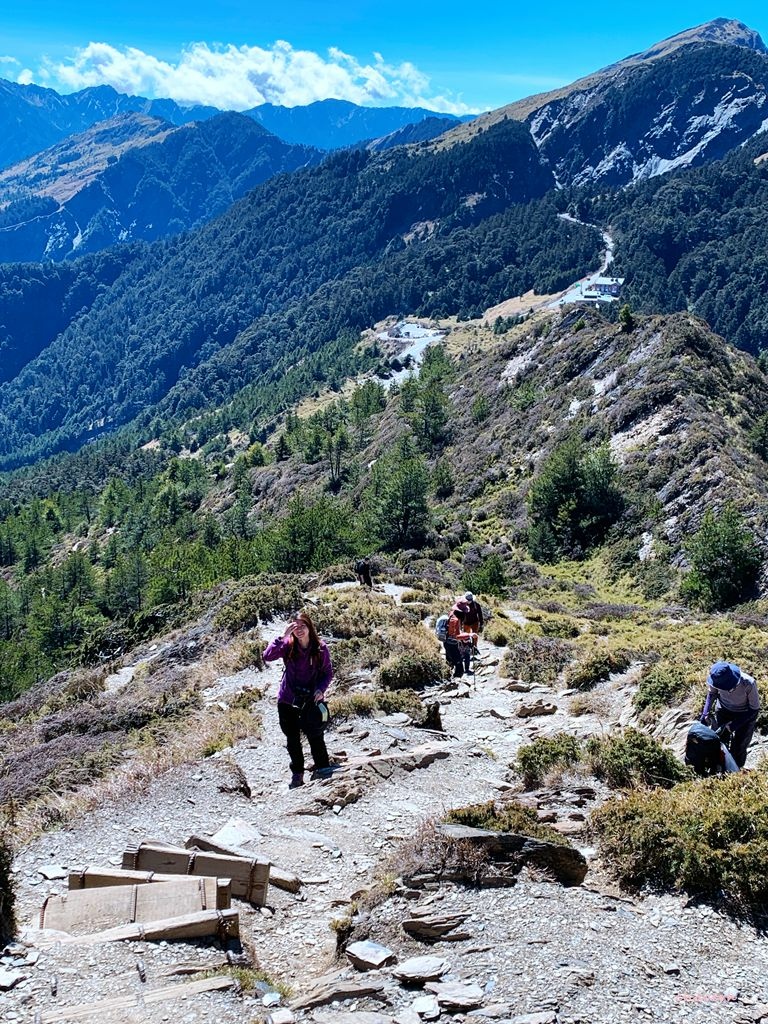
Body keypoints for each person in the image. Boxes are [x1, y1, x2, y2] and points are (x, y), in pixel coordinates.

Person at [263, 612, 333, 789]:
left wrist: (320, 689)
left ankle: (323, 768)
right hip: (288, 699)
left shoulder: (320, 649)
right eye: (295, 626)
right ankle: (298, 774)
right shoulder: (288, 645)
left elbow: (327, 673)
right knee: (292, 739)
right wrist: (283, 636)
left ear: (310, 627)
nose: (299, 630)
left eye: (303, 625)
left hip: (310, 699)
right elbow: (267, 656)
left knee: (315, 734)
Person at [700, 660, 760, 769]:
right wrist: (705, 713)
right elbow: (712, 693)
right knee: (720, 741)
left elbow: (754, 709)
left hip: (745, 714)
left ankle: (736, 771)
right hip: (724, 710)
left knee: (739, 746)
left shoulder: (748, 683)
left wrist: (733, 726)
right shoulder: (716, 680)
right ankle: (720, 767)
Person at [444, 604, 478, 679]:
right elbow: (456, 636)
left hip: (447, 642)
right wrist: (470, 635)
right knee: (459, 668)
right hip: (452, 645)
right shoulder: (456, 620)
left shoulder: (452, 614)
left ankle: (448, 679)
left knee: (450, 663)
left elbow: (455, 632)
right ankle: (455, 685)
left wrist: (464, 636)